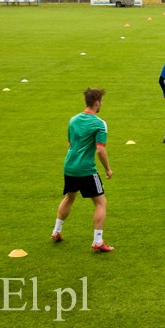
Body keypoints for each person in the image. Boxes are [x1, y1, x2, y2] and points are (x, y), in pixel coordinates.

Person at [51, 88, 115, 253]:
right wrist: (108, 169)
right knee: (101, 203)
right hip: (86, 169)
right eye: (101, 101)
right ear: (96, 103)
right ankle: (98, 241)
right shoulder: (99, 123)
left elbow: (70, 144)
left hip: (69, 166)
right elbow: (100, 150)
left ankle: (56, 231)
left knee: (69, 198)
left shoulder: (73, 120)